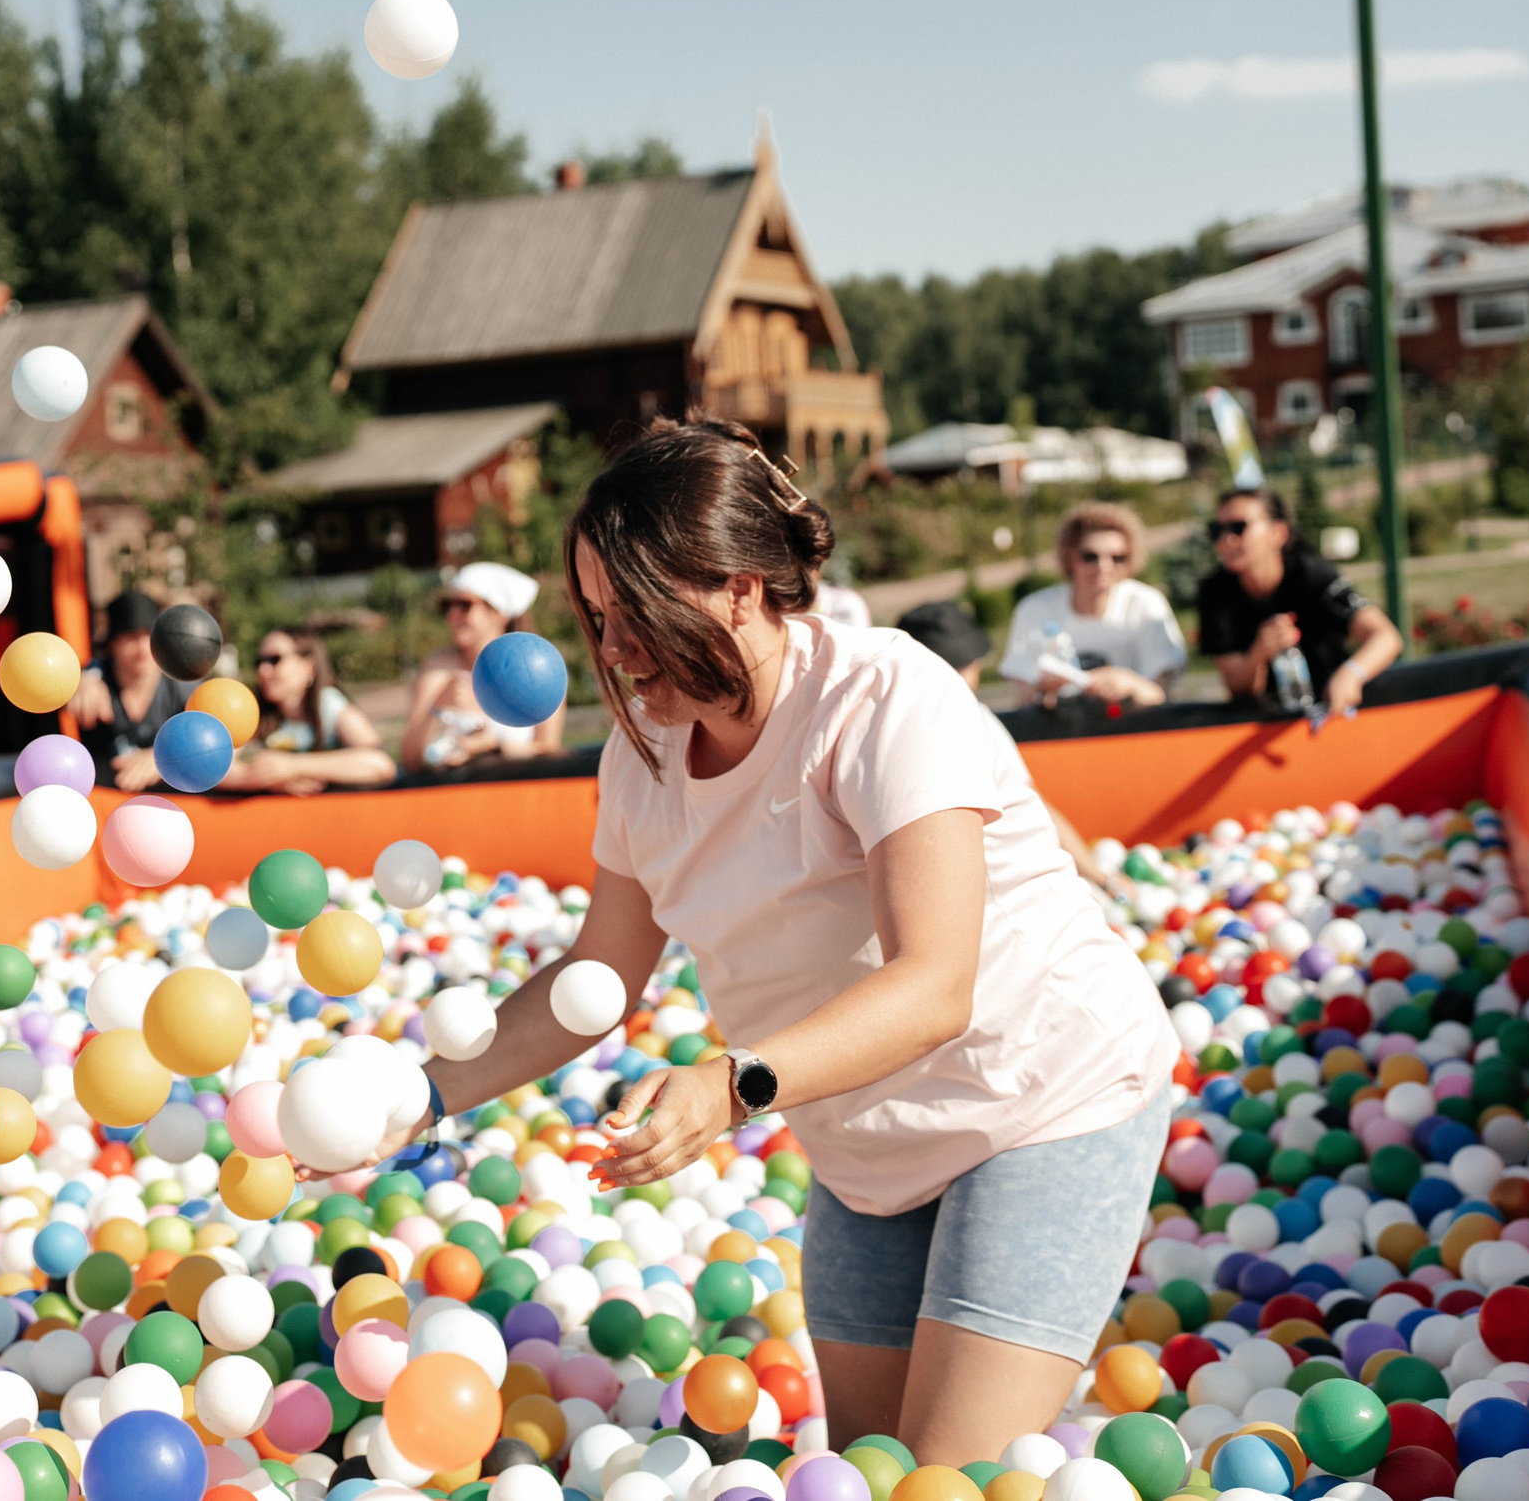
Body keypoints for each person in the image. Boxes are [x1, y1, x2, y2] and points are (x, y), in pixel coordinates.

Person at [353, 418, 1176, 1465]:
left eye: (638, 612)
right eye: (597, 617)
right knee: (865, 1474)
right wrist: (418, 1096)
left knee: (937, 1487)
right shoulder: (640, 756)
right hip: (867, 1151)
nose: (612, 652)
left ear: (742, 586)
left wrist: (726, 1087)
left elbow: (935, 986)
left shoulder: (882, 698)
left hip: (1044, 1099)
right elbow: (595, 976)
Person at [898, 600, 1127, 903]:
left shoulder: (880, 723)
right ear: (974, 665)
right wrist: (1101, 878)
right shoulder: (972, 716)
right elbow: (1032, 808)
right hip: (991, 889)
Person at [1196, 486, 1402, 720]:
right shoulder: (1215, 592)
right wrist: (1260, 652)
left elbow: (1386, 637)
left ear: (1279, 532)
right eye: (1216, 530)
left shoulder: (1311, 574)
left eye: (1238, 527)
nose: (1226, 539)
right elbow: (1237, 688)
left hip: (1337, 715)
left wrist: (1350, 675)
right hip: (1267, 725)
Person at [997, 501, 1185, 709]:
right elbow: (1024, 699)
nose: (1103, 567)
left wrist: (1129, 684)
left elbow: (1160, 695)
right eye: (1090, 556)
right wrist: (1045, 688)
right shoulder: (1034, 610)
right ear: (1069, 557)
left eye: (1118, 558)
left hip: (1131, 729)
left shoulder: (1146, 604)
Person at [400, 561, 568, 769]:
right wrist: (438, 707)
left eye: (464, 605)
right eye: (448, 605)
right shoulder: (439, 669)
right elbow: (410, 759)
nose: (452, 616)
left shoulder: (538, 669)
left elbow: (549, 749)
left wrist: (493, 747)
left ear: (499, 613)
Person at [220, 626, 396, 795]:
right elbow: (213, 768)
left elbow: (380, 764)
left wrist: (294, 767)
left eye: (275, 660)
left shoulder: (329, 705)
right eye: (259, 661)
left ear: (309, 666)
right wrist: (264, 779)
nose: (263, 670)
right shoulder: (255, 709)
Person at [70, 590, 191, 791]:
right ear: (112, 643)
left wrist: (165, 760)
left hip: (168, 800)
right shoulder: (91, 679)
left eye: (149, 636)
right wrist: (79, 681)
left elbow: (218, 742)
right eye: (131, 637)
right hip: (100, 799)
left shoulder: (181, 687)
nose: (142, 648)